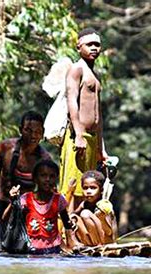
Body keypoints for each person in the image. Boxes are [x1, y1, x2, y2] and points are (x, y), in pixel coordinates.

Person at [0, 111, 52, 252]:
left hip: (28, 212)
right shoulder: (5, 148)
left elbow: (49, 191)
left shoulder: (44, 158)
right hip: (2, 205)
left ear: (42, 133)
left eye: (37, 132)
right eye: (28, 130)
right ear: (20, 129)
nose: (33, 135)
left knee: (25, 253)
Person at [59, 28, 108, 210]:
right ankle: (63, 233)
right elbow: (72, 101)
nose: (94, 48)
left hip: (92, 138)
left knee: (86, 187)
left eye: (97, 44)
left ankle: (78, 231)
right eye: (89, 44)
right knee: (71, 186)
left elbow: (99, 115)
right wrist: (79, 134)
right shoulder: (76, 69)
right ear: (79, 47)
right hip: (77, 138)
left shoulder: (95, 74)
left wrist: (101, 148)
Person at [4, 159, 74, 254]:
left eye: (52, 176)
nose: (48, 179)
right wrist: (13, 201)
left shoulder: (58, 200)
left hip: (53, 249)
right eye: (43, 175)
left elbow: (66, 223)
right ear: (35, 178)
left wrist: (69, 245)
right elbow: (5, 218)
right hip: (29, 249)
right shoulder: (25, 199)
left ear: (56, 179)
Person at [70, 170, 117, 246]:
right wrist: (71, 192)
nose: (88, 191)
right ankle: (87, 244)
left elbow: (109, 232)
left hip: (107, 241)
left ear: (101, 190)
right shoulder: (84, 204)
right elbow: (72, 215)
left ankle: (98, 245)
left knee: (85, 213)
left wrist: (102, 218)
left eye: (93, 188)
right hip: (92, 240)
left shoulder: (104, 205)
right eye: (85, 188)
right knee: (75, 218)